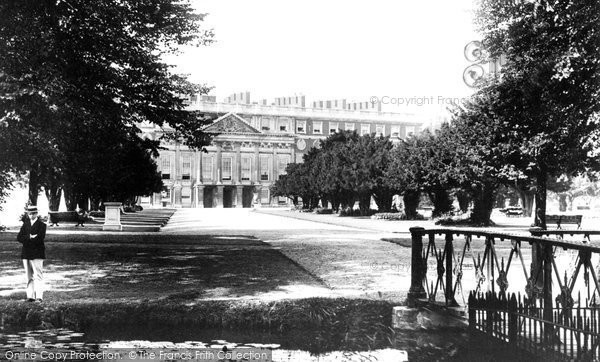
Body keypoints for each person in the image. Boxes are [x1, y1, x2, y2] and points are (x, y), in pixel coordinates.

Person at [17, 206, 47, 302]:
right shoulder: (25, 224)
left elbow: (40, 238)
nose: (31, 215)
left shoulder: (42, 225)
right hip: (26, 253)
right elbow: (19, 237)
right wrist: (30, 237)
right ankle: (30, 296)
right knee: (28, 276)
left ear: (36, 213)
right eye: (29, 213)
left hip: (37, 253)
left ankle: (39, 297)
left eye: (33, 213)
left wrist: (27, 239)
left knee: (38, 275)